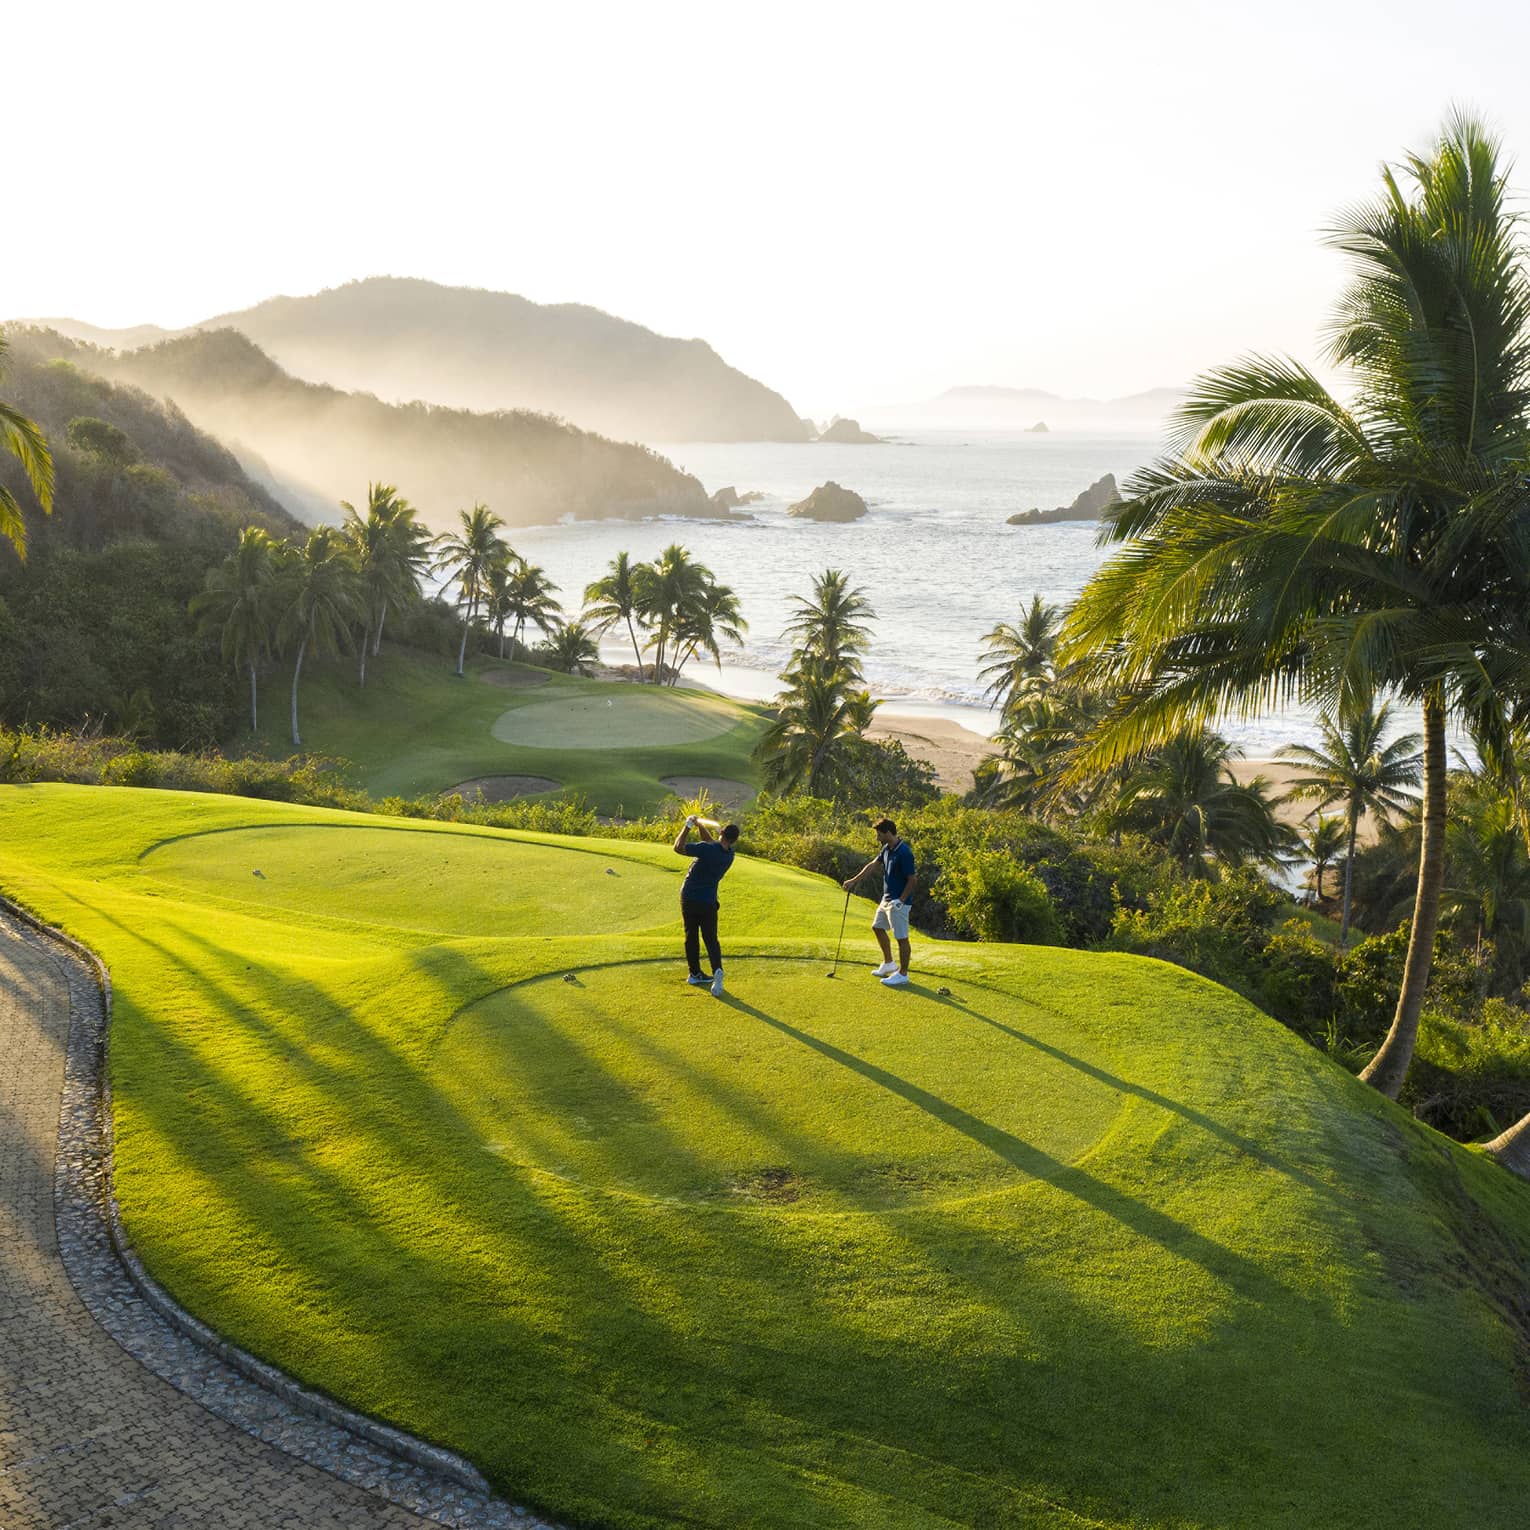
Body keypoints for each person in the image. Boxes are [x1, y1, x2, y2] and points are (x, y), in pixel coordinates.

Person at [842, 817, 918, 987]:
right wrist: (853, 881)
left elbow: (912, 880)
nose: (877, 838)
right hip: (887, 898)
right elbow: (872, 866)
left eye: (879, 834)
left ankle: (903, 974)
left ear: (888, 833)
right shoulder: (887, 848)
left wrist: (901, 900)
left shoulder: (904, 852)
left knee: (901, 938)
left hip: (899, 902)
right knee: (877, 927)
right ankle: (889, 963)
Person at [672, 814, 740, 996]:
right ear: (733, 840)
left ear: (722, 833)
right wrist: (700, 824)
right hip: (708, 901)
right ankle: (717, 969)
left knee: (691, 935)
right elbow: (710, 842)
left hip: (689, 897)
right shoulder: (729, 855)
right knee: (711, 938)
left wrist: (687, 826)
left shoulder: (707, 849)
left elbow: (678, 848)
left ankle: (694, 973)